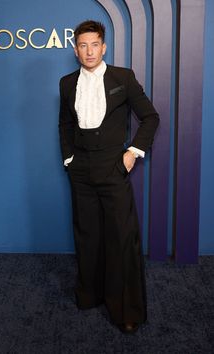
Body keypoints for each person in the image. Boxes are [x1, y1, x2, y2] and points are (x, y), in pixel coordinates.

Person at [59, 20, 159, 333]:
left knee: (121, 237)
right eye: (83, 46)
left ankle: (126, 310)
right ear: (76, 51)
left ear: (103, 47)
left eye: (94, 45)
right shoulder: (66, 83)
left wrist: (133, 154)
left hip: (114, 167)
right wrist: (69, 158)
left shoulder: (123, 77)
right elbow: (64, 125)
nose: (89, 51)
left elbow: (150, 118)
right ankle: (91, 294)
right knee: (88, 235)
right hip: (81, 170)